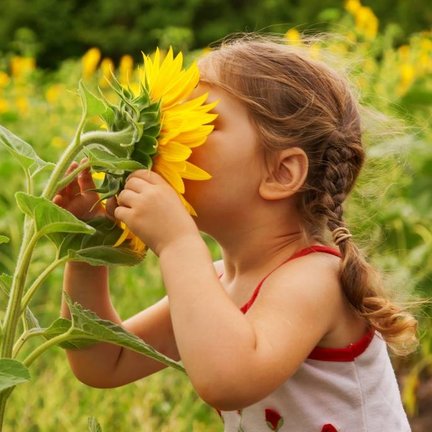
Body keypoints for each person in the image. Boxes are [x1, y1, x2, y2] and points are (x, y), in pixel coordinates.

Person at [54, 35, 417, 431]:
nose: (166, 137)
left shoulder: (314, 280)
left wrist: (178, 245)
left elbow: (227, 381)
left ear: (281, 173)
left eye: (201, 121)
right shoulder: (218, 281)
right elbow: (105, 361)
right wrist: (89, 244)